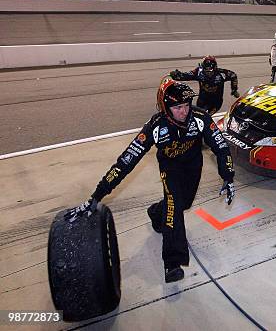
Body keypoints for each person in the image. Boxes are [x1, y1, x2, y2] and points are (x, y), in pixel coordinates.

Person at [65, 78, 236, 283]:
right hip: (169, 167)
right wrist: (97, 195)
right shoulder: (155, 126)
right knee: (174, 205)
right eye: (178, 107)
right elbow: (126, 161)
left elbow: (221, 147)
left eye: (187, 105)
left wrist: (228, 176)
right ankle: (172, 263)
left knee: (184, 204)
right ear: (166, 108)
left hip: (192, 166)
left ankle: (155, 213)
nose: (185, 111)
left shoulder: (201, 117)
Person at [171, 55, 239, 115]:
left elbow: (233, 75)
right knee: (197, 115)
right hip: (202, 100)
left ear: (215, 68)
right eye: (205, 70)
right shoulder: (198, 72)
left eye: (210, 71)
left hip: (216, 102)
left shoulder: (222, 73)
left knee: (206, 117)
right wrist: (177, 75)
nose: (208, 73)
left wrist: (234, 89)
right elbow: (187, 75)